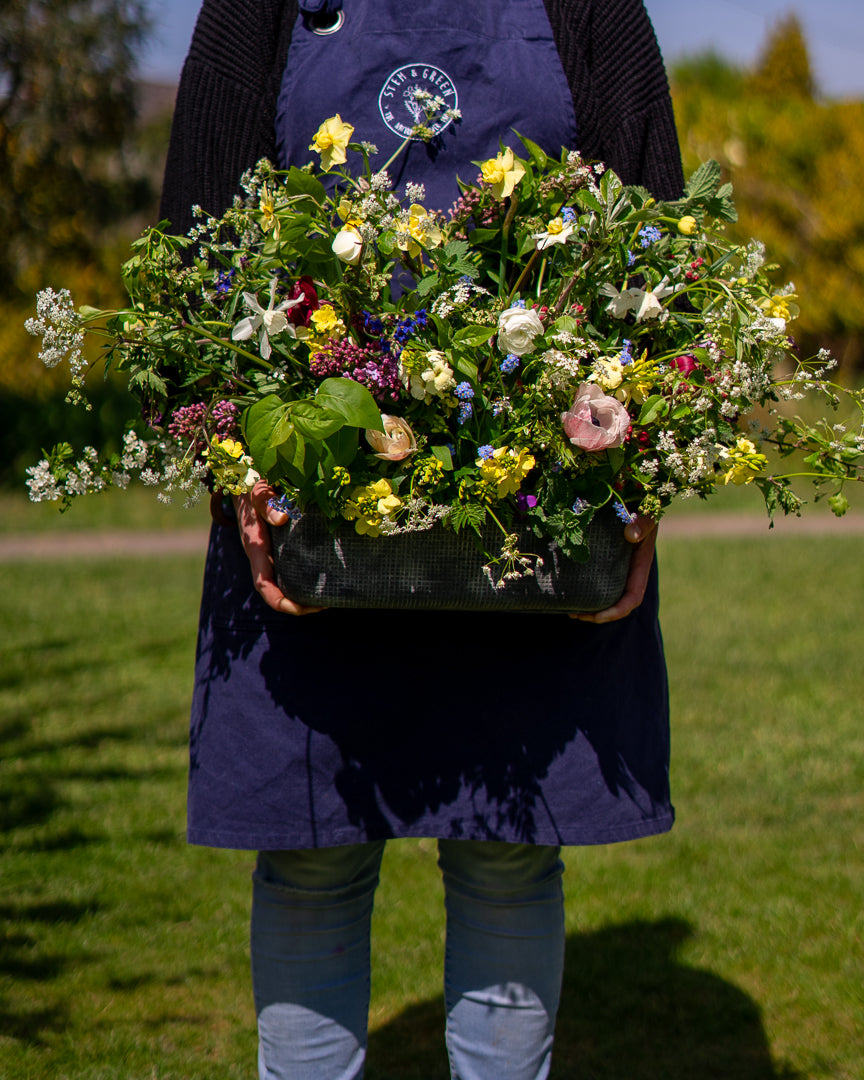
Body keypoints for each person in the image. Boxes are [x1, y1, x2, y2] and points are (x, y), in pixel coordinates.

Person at [160, 1, 684, 1077]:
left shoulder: (590, 7)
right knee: (311, 858)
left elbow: (657, 236)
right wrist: (240, 469)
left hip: (526, 522)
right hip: (312, 507)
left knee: (507, 855)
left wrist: (639, 483)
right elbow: (195, 242)